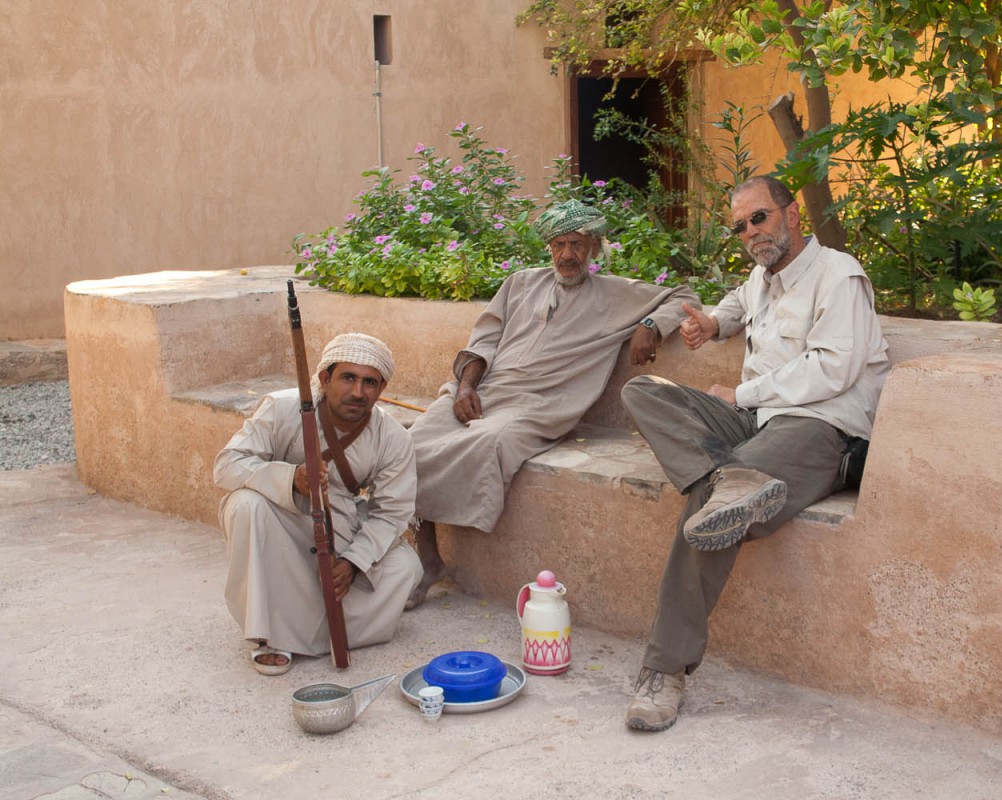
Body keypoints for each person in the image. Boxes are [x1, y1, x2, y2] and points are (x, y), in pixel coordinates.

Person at [621, 176, 891, 731]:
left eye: (759, 218)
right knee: (643, 392)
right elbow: (736, 304)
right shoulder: (763, 279)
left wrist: (742, 394)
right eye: (740, 226)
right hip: (752, 425)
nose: (750, 233)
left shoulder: (838, 276)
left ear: (792, 214)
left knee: (705, 504)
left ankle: (664, 669)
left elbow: (833, 369)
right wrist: (713, 323)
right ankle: (735, 477)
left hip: (818, 427)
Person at [404, 199, 700, 608]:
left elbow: (685, 296)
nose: (567, 255)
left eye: (577, 244)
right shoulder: (521, 283)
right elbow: (483, 340)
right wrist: (465, 388)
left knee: (489, 441)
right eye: (559, 245)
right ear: (549, 248)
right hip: (486, 390)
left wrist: (651, 325)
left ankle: (430, 559)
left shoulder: (616, 294)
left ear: (594, 247)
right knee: (414, 442)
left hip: (542, 403)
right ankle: (428, 559)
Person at [214, 332, 421, 675]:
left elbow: (393, 513)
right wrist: (290, 478)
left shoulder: (394, 438)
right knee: (246, 505)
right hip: (285, 523)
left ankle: (305, 631)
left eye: (370, 382)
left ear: (381, 389)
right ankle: (270, 635)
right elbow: (226, 466)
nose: (358, 392)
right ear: (325, 379)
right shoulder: (281, 409)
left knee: (406, 567)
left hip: (343, 529)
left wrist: (354, 562)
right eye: (348, 378)